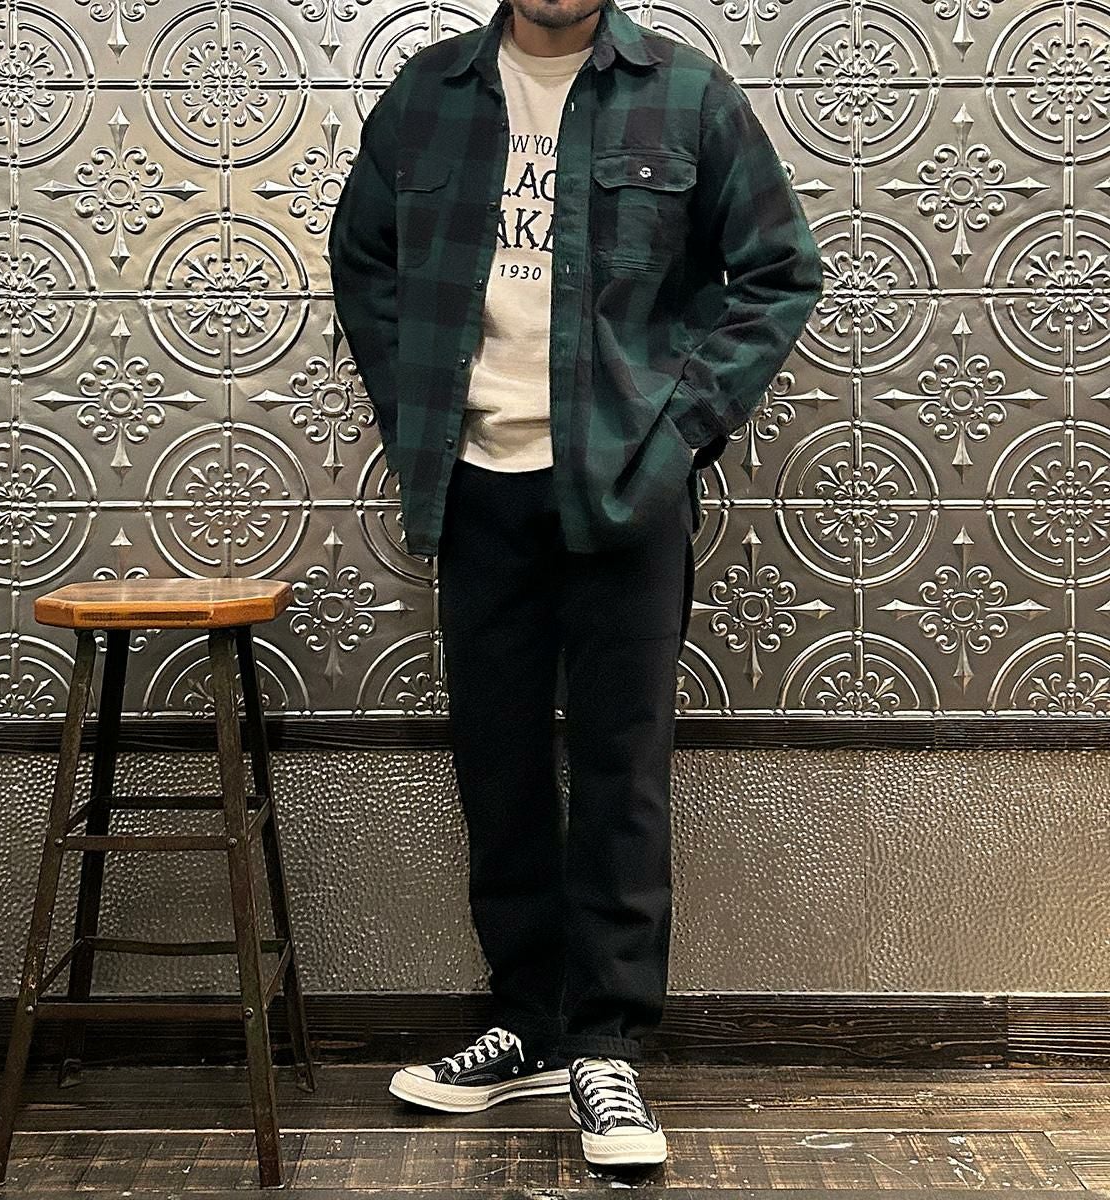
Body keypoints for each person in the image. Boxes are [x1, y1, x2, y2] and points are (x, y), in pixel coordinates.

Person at [328, 0, 822, 1168]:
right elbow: (364, 262)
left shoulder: (686, 94)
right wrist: (418, 414)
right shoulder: (428, 95)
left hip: (622, 487)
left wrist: (676, 434)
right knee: (496, 764)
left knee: (620, 769)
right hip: (476, 488)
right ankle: (527, 1025)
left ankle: (605, 1046)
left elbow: (778, 272)